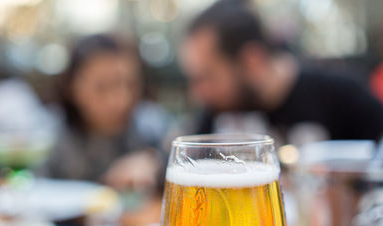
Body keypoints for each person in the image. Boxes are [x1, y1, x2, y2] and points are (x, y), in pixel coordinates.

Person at [180, 1, 383, 142]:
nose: (197, 93)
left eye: (206, 77)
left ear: (252, 61)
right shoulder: (218, 109)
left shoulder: (341, 94)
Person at [40, 34, 162, 192]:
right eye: (102, 87)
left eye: (130, 84)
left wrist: (155, 162)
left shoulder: (151, 128)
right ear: (71, 87)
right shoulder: (49, 137)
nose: (120, 99)